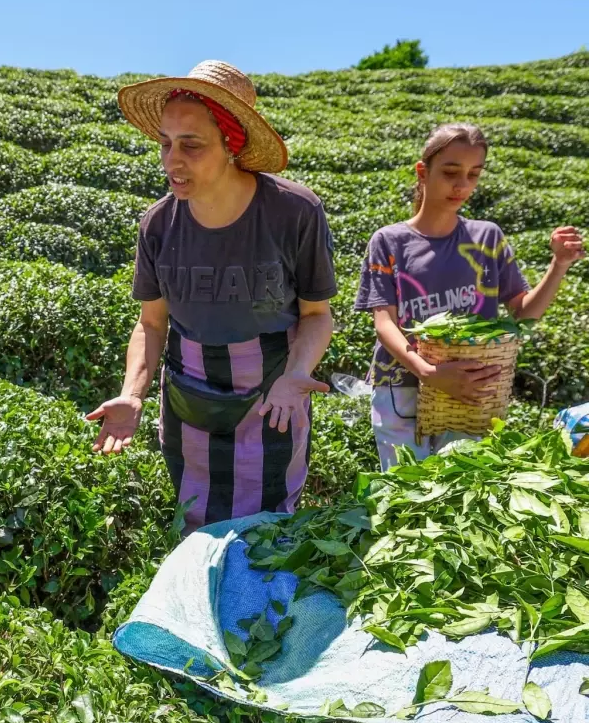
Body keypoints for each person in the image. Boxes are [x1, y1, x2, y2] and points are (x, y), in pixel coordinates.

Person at [87, 60, 338, 533]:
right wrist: (132, 393)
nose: (171, 160)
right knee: (197, 527)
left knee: (269, 532)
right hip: (190, 395)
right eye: (165, 143)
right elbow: (152, 323)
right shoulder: (159, 224)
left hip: (273, 395)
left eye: (191, 145)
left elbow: (316, 314)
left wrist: (296, 375)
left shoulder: (293, 211)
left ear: (231, 145)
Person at [354, 122, 585, 470]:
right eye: (450, 172)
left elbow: (522, 312)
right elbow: (384, 323)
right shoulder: (389, 241)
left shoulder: (487, 238)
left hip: (470, 389)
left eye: (473, 174)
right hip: (401, 386)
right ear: (423, 171)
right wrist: (428, 372)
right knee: (406, 496)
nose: (462, 185)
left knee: (461, 496)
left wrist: (559, 264)